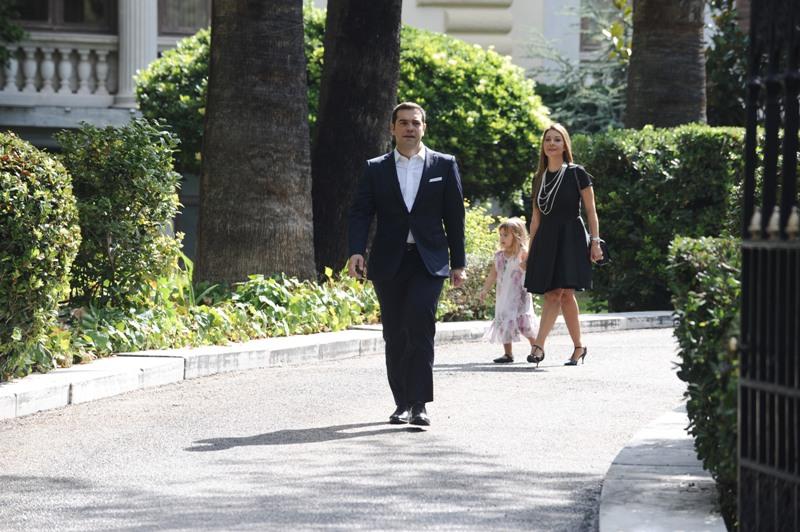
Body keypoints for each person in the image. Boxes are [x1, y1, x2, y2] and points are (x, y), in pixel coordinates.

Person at [348, 102, 466, 426]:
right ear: (392, 128)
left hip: (429, 261)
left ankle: (419, 404)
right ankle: (401, 403)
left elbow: (455, 217)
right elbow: (360, 212)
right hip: (389, 261)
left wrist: (459, 263)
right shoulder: (376, 168)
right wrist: (356, 251)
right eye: (403, 123)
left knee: (420, 324)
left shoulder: (444, 165)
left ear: (423, 127)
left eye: (415, 122)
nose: (409, 128)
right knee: (395, 332)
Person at [524, 123, 603, 366]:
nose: (551, 143)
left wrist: (595, 242)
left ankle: (538, 346)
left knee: (558, 293)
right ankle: (579, 346)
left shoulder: (577, 173)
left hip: (571, 236)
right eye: (548, 139)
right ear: (543, 145)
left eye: (557, 139)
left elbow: (591, 210)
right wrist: (530, 249)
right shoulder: (539, 178)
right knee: (562, 295)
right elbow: (535, 218)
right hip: (546, 238)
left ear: (565, 144)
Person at [478, 217, 539, 364]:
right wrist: (485, 289)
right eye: (500, 235)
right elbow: (493, 274)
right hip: (504, 295)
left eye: (506, 235)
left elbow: (532, 267)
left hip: (520, 295)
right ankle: (508, 354)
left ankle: (536, 349)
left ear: (517, 235)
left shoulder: (523, 253)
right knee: (504, 321)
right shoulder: (499, 256)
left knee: (524, 324)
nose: (502, 238)